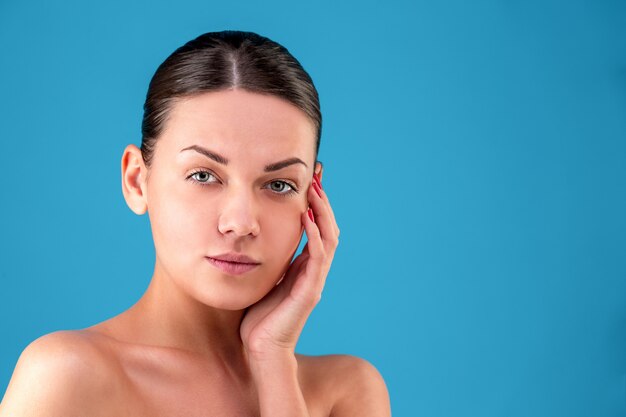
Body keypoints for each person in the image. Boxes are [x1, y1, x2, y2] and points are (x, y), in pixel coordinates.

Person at [0, 30, 391, 416]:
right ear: (137, 180)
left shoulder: (347, 390)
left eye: (278, 184)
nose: (240, 223)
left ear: (313, 194)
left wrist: (272, 358)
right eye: (203, 175)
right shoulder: (67, 377)